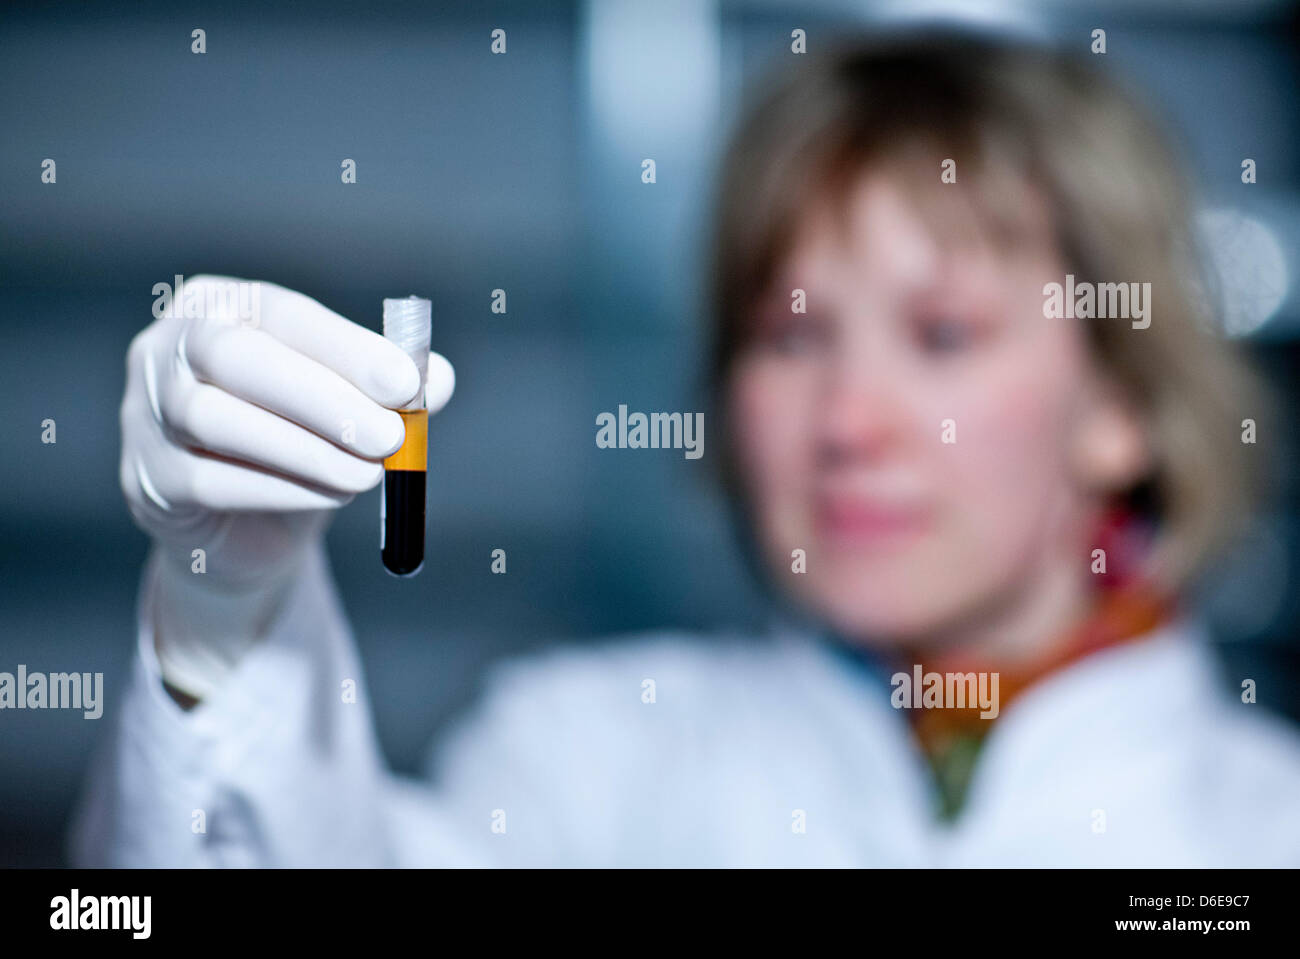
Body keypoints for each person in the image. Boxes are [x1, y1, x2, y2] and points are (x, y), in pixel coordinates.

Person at [69, 32, 1300, 867]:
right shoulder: (585, 755)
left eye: (942, 332)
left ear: (1122, 401)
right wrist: (225, 617)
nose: (847, 421)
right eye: (788, 334)